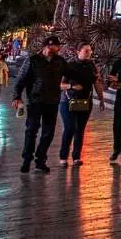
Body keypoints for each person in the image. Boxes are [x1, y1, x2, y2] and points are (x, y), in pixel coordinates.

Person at [12, 35, 66, 173]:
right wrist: (16, 96)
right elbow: (21, 80)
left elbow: (72, 73)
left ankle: (40, 160)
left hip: (52, 102)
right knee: (31, 130)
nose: (59, 48)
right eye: (57, 46)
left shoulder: (60, 61)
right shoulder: (32, 60)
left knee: (48, 133)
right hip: (35, 101)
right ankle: (27, 159)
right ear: (48, 46)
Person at [58, 43, 105, 165]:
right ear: (78, 51)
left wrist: (101, 99)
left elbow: (97, 83)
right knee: (70, 128)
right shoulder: (70, 65)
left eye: (90, 51)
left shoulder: (92, 66)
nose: (89, 53)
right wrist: (71, 86)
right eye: (86, 51)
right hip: (68, 101)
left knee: (80, 129)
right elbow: (60, 84)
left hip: (85, 101)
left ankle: (76, 157)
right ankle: (63, 157)